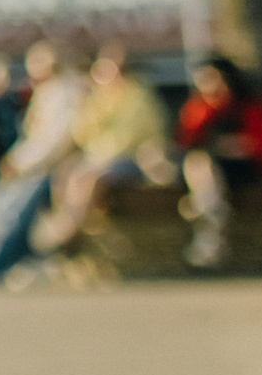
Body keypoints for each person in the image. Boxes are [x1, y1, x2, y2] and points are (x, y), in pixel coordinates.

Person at [36, 44, 175, 255]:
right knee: (65, 173)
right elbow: (81, 134)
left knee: (87, 178)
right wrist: (88, 104)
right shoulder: (98, 98)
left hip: (132, 160)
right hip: (99, 158)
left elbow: (126, 140)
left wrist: (98, 155)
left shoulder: (137, 95)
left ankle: (70, 229)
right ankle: (68, 225)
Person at [0, 35, 92, 283]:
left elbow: (55, 141)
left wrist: (21, 163)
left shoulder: (63, 91)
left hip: (51, 168)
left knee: (14, 214)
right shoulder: (50, 91)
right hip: (40, 167)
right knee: (2, 211)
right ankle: (20, 261)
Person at [179, 55, 262, 266]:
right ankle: (210, 212)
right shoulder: (199, 106)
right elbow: (186, 141)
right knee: (198, 163)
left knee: (201, 173)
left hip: (245, 170)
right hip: (209, 172)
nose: (206, 84)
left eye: (211, 78)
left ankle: (205, 211)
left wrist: (239, 146)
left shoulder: (249, 104)